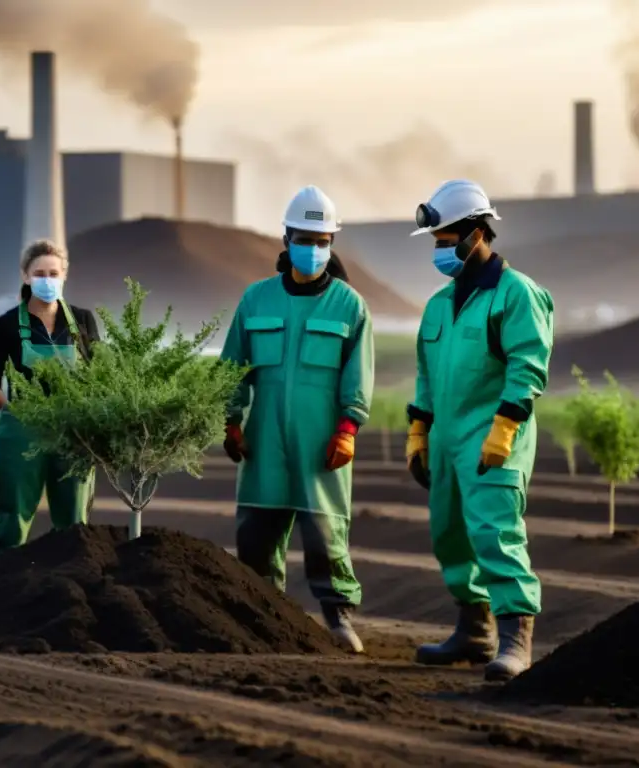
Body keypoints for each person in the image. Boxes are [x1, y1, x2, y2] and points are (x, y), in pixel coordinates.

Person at [405, 179, 555, 681]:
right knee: (449, 535)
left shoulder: (516, 294)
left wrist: (506, 428)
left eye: (446, 241)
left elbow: (527, 364)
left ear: (475, 234)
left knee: (495, 533)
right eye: (436, 242)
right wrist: (418, 433)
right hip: (448, 441)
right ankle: (474, 629)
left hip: (494, 439)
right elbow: (427, 375)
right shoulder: (438, 305)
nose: (440, 251)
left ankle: (515, 640)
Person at [219, 185, 375, 653]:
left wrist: (348, 429)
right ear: (285, 239)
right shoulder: (256, 300)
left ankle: (338, 618)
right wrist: (231, 420)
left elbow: (357, 376)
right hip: (263, 440)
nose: (312, 249)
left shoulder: (349, 306)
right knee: (256, 536)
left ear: (332, 243)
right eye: (304, 239)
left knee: (326, 534)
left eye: (322, 240)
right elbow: (233, 366)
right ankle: (265, 619)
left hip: (319, 442)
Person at [0, 239, 101, 559]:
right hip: (23, 431)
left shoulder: (83, 321)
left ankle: (74, 584)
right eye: (40, 273)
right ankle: (3, 588)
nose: (47, 280)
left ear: (65, 275)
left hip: (72, 431)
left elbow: (100, 377)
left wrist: (91, 421)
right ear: (25, 276)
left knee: (74, 522)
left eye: (53, 273)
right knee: (11, 521)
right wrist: (16, 414)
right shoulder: (7, 324)